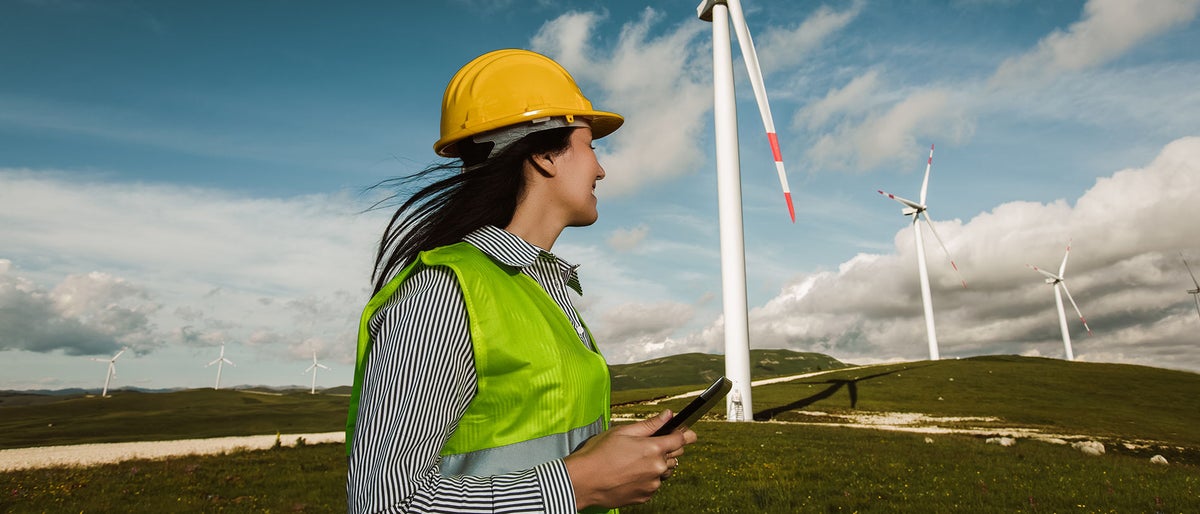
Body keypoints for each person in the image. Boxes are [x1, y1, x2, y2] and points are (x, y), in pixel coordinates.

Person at [346, 48, 697, 513]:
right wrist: (578, 485)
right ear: (545, 155)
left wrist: (609, 456)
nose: (601, 168)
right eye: (590, 145)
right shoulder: (445, 295)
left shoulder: (539, 288)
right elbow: (382, 504)